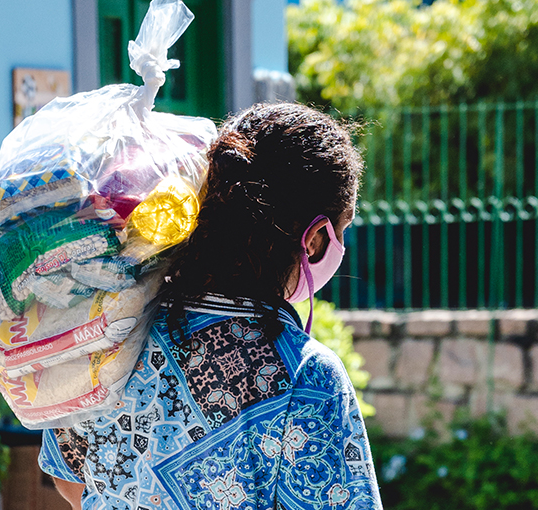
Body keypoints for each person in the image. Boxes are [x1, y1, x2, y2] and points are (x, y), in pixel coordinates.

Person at [38, 102, 383, 510]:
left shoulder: (113, 332)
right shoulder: (307, 376)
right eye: (343, 228)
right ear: (315, 238)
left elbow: (68, 478)